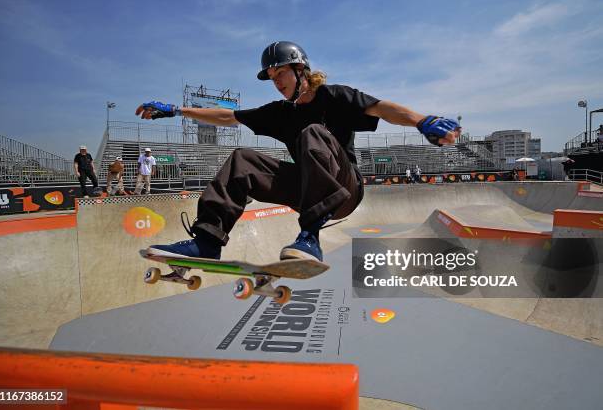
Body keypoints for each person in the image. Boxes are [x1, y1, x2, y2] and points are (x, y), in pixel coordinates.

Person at [136, 41, 461, 262]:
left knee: (313, 134)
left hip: (345, 189)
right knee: (242, 160)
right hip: (306, 189)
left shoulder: (335, 97)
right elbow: (227, 117)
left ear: (300, 69)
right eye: (272, 78)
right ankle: (207, 241)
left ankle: (309, 238)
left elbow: (382, 109)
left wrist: (422, 121)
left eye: (281, 74)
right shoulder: (279, 111)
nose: (277, 82)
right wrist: (177, 111)